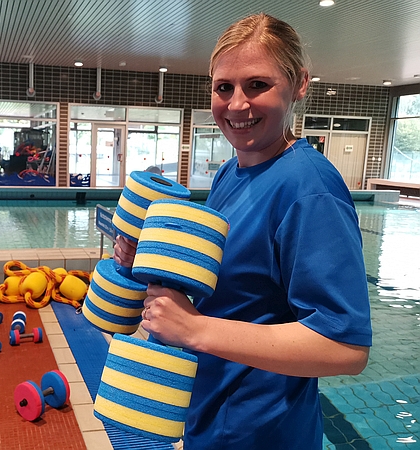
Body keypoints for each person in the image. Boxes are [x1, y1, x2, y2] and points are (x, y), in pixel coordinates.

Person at [114, 13, 372, 449]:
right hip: (213, 409)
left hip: (262, 429)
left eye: (258, 85)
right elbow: (232, 289)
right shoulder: (231, 172)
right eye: (223, 87)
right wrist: (150, 262)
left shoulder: (309, 190)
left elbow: (345, 348)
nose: (236, 104)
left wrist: (195, 330)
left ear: (299, 84)